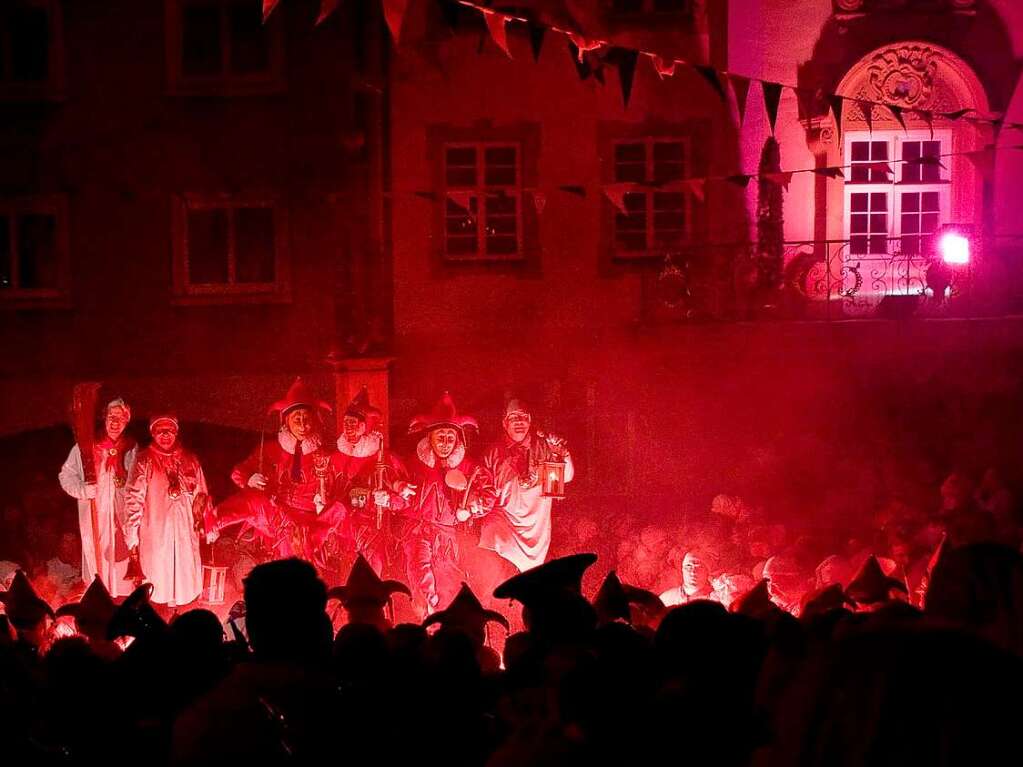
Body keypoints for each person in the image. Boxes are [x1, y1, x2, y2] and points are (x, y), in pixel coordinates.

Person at [213, 378, 346, 571]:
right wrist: (250, 478)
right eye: (297, 419)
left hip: (308, 521)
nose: (302, 425)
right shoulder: (270, 449)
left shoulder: (325, 455)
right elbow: (238, 472)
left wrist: (324, 501)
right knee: (254, 499)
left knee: (310, 532)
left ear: (315, 420)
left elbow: (339, 488)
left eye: (306, 419)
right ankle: (213, 520)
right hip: (277, 512)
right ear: (286, 421)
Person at [401, 392, 496, 615]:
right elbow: (396, 495)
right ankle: (426, 624)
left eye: (450, 438)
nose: (444, 443)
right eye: (440, 436)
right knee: (422, 582)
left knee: (448, 585)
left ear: (457, 440)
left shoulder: (468, 467)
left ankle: (444, 629)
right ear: (430, 438)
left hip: (448, 537)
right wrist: (397, 491)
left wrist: (472, 509)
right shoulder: (413, 464)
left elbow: (489, 495)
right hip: (417, 532)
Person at [124, 416, 210, 608]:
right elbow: (133, 499)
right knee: (157, 586)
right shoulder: (143, 460)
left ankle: (183, 614)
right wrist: (131, 534)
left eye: (169, 430)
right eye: (160, 430)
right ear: (153, 433)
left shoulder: (190, 460)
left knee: (185, 586)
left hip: (185, 534)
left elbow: (202, 496)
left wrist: (208, 526)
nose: (165, 435)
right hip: (156, 534)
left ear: (176, 432)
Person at [481, 398, 574, 573]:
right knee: (496, 583)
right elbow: (484, 492)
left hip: (535, 531)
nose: (518, 422)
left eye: (523, 417)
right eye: (513, 417)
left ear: (530, 421)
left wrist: (562, 453)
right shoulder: (493, 453)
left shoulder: (545, 448)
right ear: (504, 423)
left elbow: (565, 477)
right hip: (501, 530)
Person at [58, 397, 138, 596]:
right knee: (98, 566)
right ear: (104, 418)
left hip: (122, 518)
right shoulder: (87, 447)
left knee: (121, 570)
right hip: (96, 518)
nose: (115, 422)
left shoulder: (132, 448)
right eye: (111, 417)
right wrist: (84, 491)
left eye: (120, 418)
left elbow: (137, 482)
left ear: (126, 421)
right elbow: (66, 476)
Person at [329, 388, 413, 575]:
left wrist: (390, 499)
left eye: (354, 423)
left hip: (374, 529)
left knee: (370, 573)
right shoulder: (335, 459)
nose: (349, 428)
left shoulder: (386, 459)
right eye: (346, 423)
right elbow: (332, 492)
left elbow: (404, 500)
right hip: (343, 529)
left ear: (365, 426)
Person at [659, 549, 726, 607]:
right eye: (688, 566)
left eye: (699, 567)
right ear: (682, 569)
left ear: (707, 571)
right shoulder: (666, 599)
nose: (693, 572)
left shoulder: (718, 600)